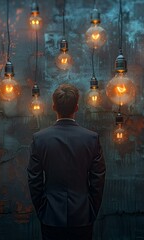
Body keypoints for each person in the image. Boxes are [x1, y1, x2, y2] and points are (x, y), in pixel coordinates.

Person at [27, 84, 106, 240]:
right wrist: (90, 210)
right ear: (76, 107)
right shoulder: (91, 139)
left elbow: (34, 181)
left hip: (51, 216)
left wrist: (43, 211)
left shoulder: (40, 139)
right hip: (82, 216)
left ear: (53, 106)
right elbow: (98, 180)